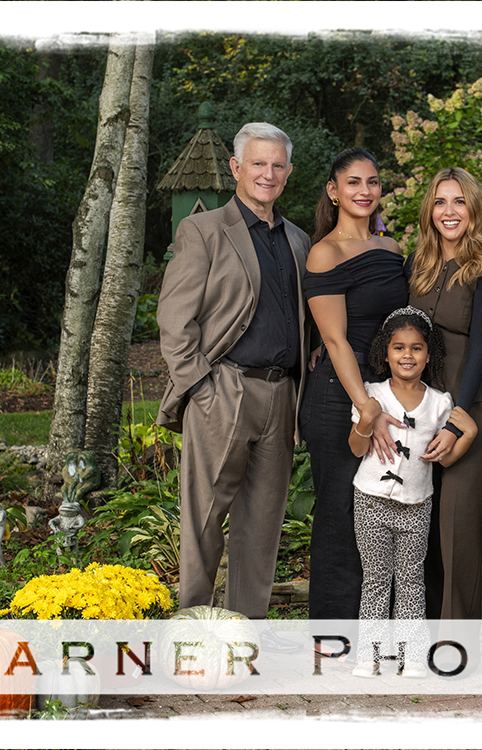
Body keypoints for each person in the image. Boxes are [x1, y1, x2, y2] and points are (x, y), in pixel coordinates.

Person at [156, 122, 307, 654]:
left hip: (281, 394)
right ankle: (193, 639)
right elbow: (175, 319)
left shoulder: (297, 239)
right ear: (237, 168)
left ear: (288, 173)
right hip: (224, 389)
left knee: (262, 524)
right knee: (203, 519)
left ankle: (245, 641)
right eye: (258, 163)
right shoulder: (205, 230)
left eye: (278, 165)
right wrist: (199, 387)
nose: (268, 173)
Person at [379, 167, 482, 621]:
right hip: (421, 406)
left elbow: (481, 348)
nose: (449, 211)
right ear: (429, 210)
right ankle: (423, 635)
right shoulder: (418, 264)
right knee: (423, 525)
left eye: (458, 201)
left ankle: (457, 646)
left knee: (458, 528)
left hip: (471, 407)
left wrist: (457, 419)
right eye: (440, 202)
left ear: (473, 208)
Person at [300, 148, 409, 632]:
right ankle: (331, 630)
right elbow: (334, 339)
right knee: (340, 511)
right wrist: (366, 406)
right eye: (353, 183)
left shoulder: (390, 250)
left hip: (385, 395)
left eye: (373, 182)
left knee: (384, 509)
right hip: (339, 397)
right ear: (333, 190)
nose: (365, 191)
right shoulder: (326, 252)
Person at [346, 307, 477, 677]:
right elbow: (356, 449)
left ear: (429, 354)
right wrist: (367, 420)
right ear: (385, 353)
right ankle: (369, 656)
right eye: (399, 348)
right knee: (375, 578)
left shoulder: (439, 403)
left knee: (410, 580)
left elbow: (446, 460)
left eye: (417, 348)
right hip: (370, 500)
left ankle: (412, 657)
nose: (407, 355)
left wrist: (468, 434)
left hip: (417, 506)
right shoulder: (372, 395)